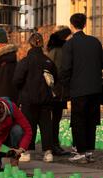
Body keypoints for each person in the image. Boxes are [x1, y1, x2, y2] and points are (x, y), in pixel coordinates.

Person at [61, 13, 103, 164]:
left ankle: (80, 151)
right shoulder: (95, 42)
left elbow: (65, 69)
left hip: (78, 89)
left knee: (78, 120)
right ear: (85, 24)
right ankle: (90, 152)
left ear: (71, 25)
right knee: (91, 121)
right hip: (96, 88)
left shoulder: (70, 44)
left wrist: (65, 87)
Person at [13, 33, 58, 163]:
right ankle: (48, 152)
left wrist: (23, 89)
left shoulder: (25, 61)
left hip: (28, 99)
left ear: (30, 44)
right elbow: (55, 78)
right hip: (45, 99)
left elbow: (17, 80)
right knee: (46, 126)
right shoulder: (48, 61)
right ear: (42, 44)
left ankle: (26, 152)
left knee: (28, 126)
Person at [47, 26, 73, 157]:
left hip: (58, 90)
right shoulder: (58, 51)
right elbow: (54, 71)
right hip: (56, 91)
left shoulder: (58, 50)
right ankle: (53, 145)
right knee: (54, 119)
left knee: (56, 119)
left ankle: (54, 144)